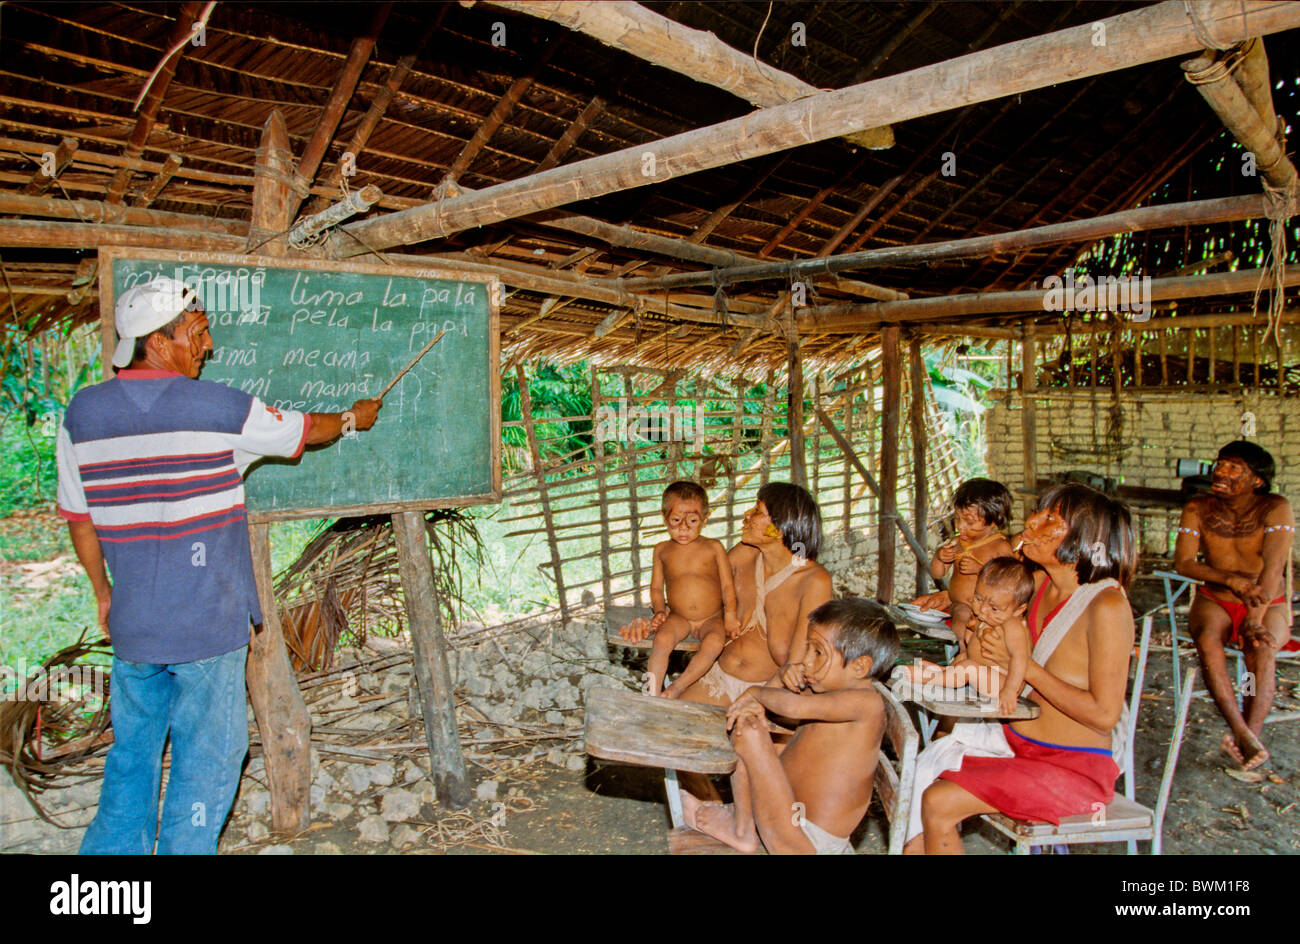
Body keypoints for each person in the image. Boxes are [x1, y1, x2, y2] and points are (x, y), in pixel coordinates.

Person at [58, 276, 382, 854]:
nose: (207, 346)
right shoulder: (222, 409)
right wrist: (355, 417)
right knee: (206, 760)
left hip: (135, 627)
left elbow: (80, 520)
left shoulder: (82, 415)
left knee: (132, 754)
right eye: (199, 333)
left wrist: (104, 593)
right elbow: (309, 428)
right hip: (209, 627)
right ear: (159, 342)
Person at [904, 483, 1135, 854]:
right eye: (1038, 512)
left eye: (1050, 520)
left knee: (938, 801)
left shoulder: (1105, 606)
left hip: (1073, 770)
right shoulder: (1039, 584)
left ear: (1086, 540)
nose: (1032, 523)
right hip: (1019, 746)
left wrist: (1025, 668)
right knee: (925, 768)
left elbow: (1105, 716)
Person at [681, 598, 898, 854]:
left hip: (805, 842)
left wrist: (755, 692)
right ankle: (744, 816)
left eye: (817, 652)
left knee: (748, 732)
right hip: (790, 819)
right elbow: (776, 711)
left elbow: (791, 708)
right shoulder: (826, 694)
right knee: (753, 722)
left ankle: (743, 831)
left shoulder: (865, 702)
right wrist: (782, 676)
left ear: (859, 666)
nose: (805, 660)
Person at [1174, 441, 1295, 771]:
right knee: (1208, 641)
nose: (1220, 472)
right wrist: (1231, 580)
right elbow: (1184, 563)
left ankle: (1249, 737)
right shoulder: (1198, 508)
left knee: (1259, 650)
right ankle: (1241, 731)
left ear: (1257, 480)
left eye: (1233, 468)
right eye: (1220, 464)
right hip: (1217, 598)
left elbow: (1272, 570)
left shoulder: (1275, 507)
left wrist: (1254, 618)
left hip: (1268, 599)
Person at [618, 481, 739, 698]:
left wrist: (729, 615)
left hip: (711, 617)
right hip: (679, 617)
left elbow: (728, 585)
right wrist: (659, 611)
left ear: (705, 518)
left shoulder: (714, 548)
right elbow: (656, 588)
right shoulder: (662, 550)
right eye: (675, 520)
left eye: (692, 521)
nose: (683, 528)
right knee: (661, 641)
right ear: (664, 517)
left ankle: (678, 687)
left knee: (714, 644)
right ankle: (652, 694)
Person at [903, 556, 1034, 716]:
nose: (983, 610)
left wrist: (1009, 691)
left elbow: (1021, 659)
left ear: (1019, 610)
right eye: (978, 599)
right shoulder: (991, 616)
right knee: (963, 658)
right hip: (986, 673)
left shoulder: (1014, 626)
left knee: (968, 668)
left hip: (1002, 682)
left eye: (994, 608)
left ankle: (933, 678)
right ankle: (945, 673)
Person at [929, 478, 1015, 646]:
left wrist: (981, 569)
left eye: (969, 522)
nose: (961, 527)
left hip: (990, 612)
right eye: (957, 519)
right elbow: (937, 573)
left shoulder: (1000, 546)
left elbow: (1012, 582)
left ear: (994, 520)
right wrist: (940, 557)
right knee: (962, 617)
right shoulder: (957, 543)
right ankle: (964, 647)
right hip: (961, 605)